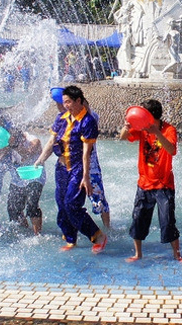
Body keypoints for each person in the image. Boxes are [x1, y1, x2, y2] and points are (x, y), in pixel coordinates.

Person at [35, 85, 108, 253]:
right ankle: (70, 238)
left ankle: (98, 236)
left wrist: (85, 177)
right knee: (61, 204)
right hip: (61, 168)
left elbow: (86, 153)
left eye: (68, 102)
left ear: (78, 101)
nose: (65, 105)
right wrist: (40, 160)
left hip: (77, 168)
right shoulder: (61, 118)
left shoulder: (87, 121)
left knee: (72, 203)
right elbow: (51, 141)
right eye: (64, 102)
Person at [120, 98, 182, 262]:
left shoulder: (169, 129)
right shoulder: (141, 129)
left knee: (168, 221)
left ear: (150, 116)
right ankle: (138, 254)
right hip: (144, 182)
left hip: (164, 184)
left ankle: (177, 255)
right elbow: (123, 138)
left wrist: (156, 132)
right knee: (138, 219)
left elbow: (171, 150)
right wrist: (126, 127)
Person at [7, 127, 45, 235]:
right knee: (12, 208)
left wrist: (13, 146)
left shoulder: (34, 140)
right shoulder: (9, 142)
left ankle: (37, 234)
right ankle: (25, 231)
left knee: (32, 204)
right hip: (18, 178)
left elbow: (28, 153)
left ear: (23, 137)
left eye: (19, 141)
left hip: (35, 175)